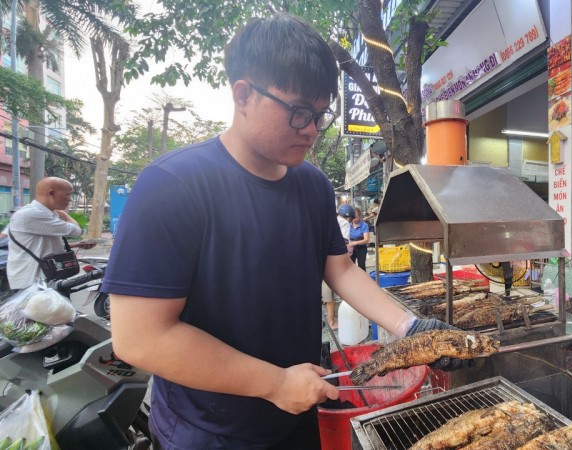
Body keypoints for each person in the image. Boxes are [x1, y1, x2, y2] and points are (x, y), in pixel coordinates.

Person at [102, 15, 466, 450]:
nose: (311, 129)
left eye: (319, 114)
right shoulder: (173, 185)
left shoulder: (311, 185)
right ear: (243, 95)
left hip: (296, 416)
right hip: (209, 434)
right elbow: (140, 336)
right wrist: (274, 383)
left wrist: (410, 327)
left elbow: (341, 270)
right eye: (297, 112)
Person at [6, 177, 95, 290]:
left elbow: (42, 246)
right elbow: (76, 231)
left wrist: (77, 245)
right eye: (67, 194)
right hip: (34, 283)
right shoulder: (32, 214)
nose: (70, 199)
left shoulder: (44, 214)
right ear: (52, 193)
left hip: (45, 279)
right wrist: (64, 215)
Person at [322, 204, 355, 330]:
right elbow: (344, 241)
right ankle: (331, 322)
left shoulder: (330, 219)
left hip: (319, 261)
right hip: (332, 262)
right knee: (329, 295)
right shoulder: (345, 223)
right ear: (349, 217)